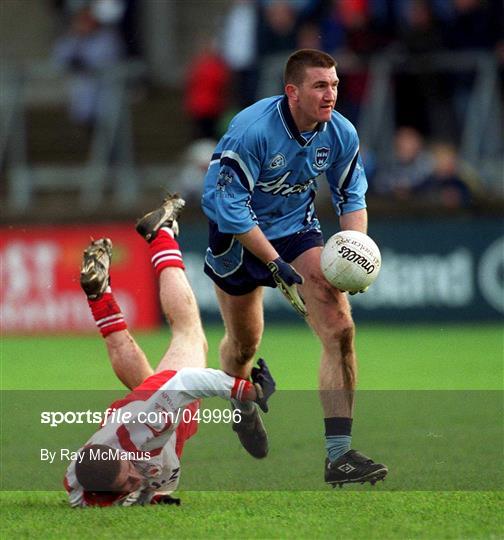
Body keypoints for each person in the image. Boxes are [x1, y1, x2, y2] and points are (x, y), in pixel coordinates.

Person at [201, 48, 388, 487]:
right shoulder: (251, 131)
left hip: (296, 231)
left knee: (339, 327)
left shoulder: (339, 132)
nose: (331, 95)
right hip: (238, 238)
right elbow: (228, 207)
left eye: (335, 85)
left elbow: (351, 195)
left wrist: (354, 251)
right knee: (244, 346)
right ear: (292, 92)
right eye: (320, 86)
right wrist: (273, 262)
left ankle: (339, 457)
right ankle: (242, 401)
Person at [64, 195, 275, 507]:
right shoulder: (79, 481)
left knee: (189, 333)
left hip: (157, 412)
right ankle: (100, 298)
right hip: (129, 418)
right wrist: (149, 498)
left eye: (128, 477)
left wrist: (247, 391)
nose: (133, 481)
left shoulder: (153, 420)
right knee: (136, 363)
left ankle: (162, 235)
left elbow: (189, 381)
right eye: (126, 483)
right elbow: (97, 495)